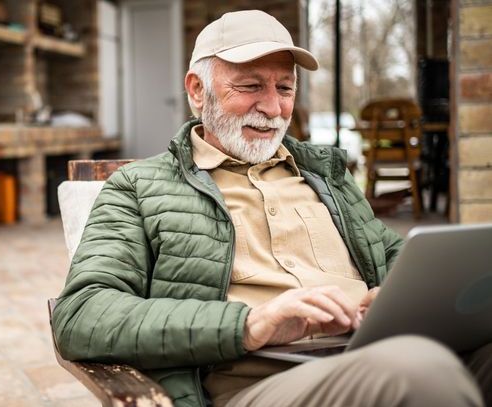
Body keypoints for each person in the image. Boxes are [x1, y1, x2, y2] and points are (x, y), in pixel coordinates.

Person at [52, 10, 490, 407]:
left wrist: (392, 298)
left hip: (370, 348)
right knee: (419, 370)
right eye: (249, 86)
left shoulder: (326, 174)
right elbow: (82, 314)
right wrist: (248, 324)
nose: (272, 107)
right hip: (260, 385)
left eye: (284, 88)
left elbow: (394, 257)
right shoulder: (140, 188)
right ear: (197, 90)